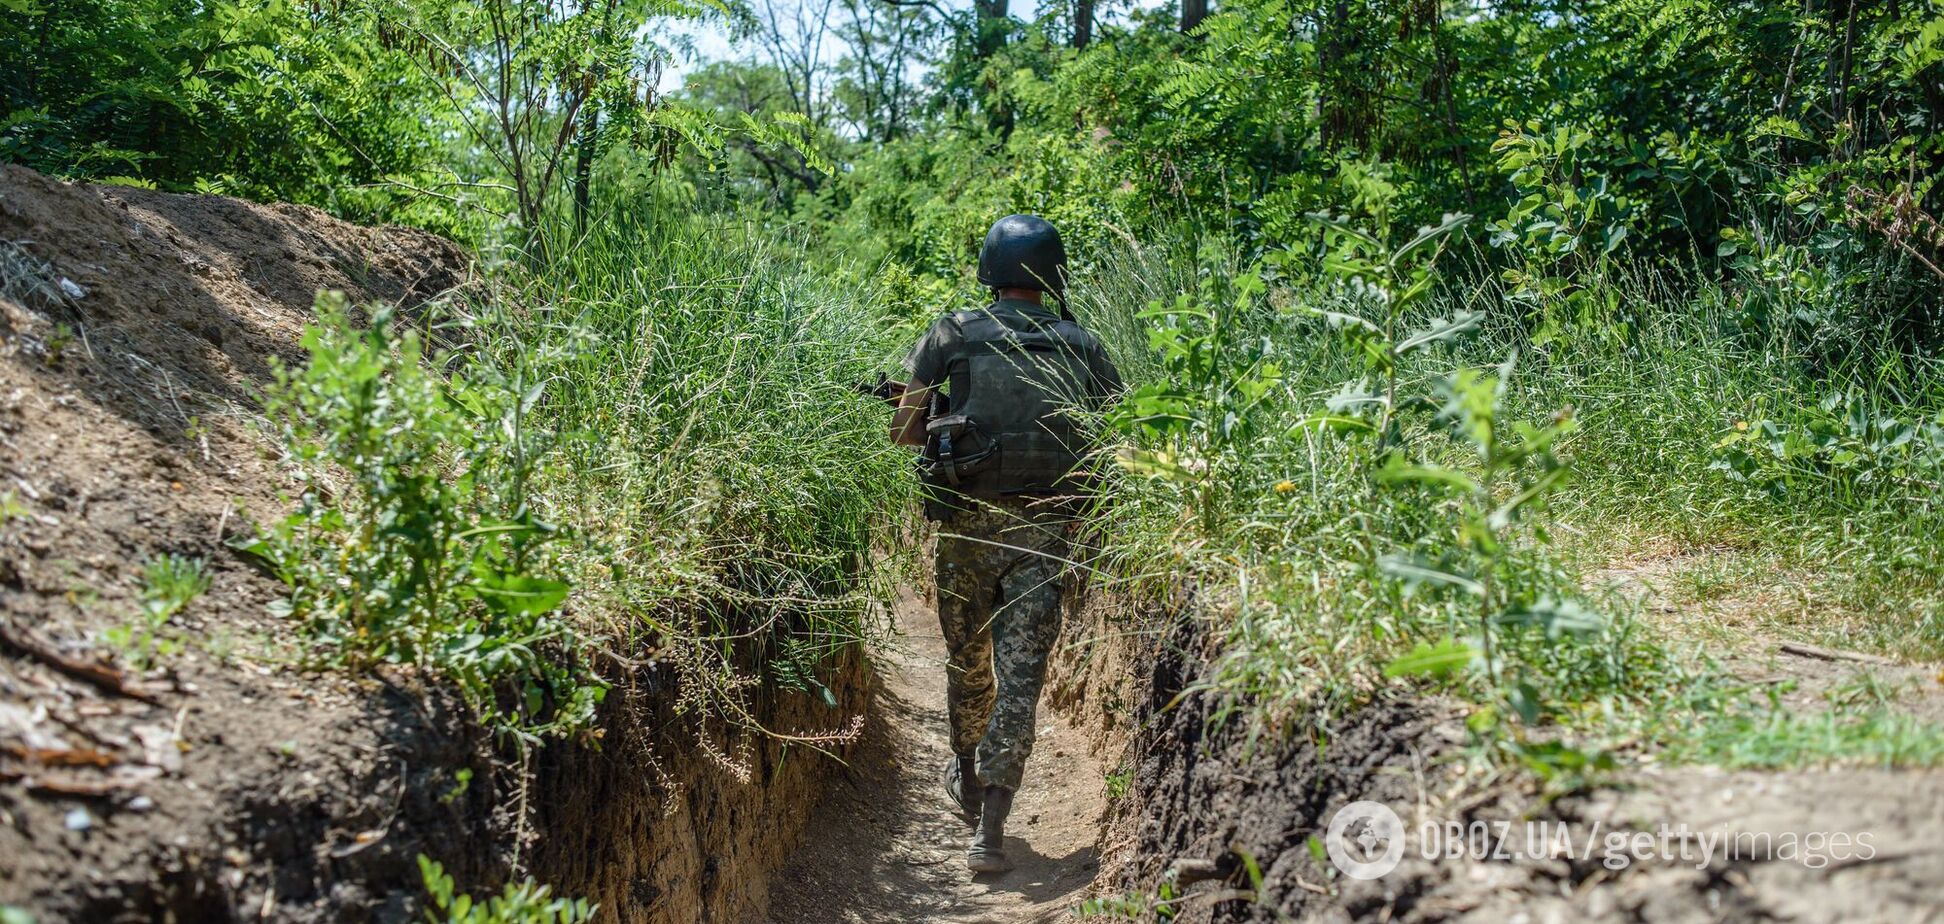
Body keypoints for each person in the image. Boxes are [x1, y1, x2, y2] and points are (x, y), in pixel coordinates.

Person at [889, 214, 1122, 874]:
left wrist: (942, 424)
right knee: (1022, 679)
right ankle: (989, 832)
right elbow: (1112, 435)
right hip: (1049, 534)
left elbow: (905, 431)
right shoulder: (1083, 343)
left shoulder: (952, 333)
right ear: (1052, 275)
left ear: (990, 270)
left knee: (968, 659)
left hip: (966, 528)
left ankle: (965, 775)